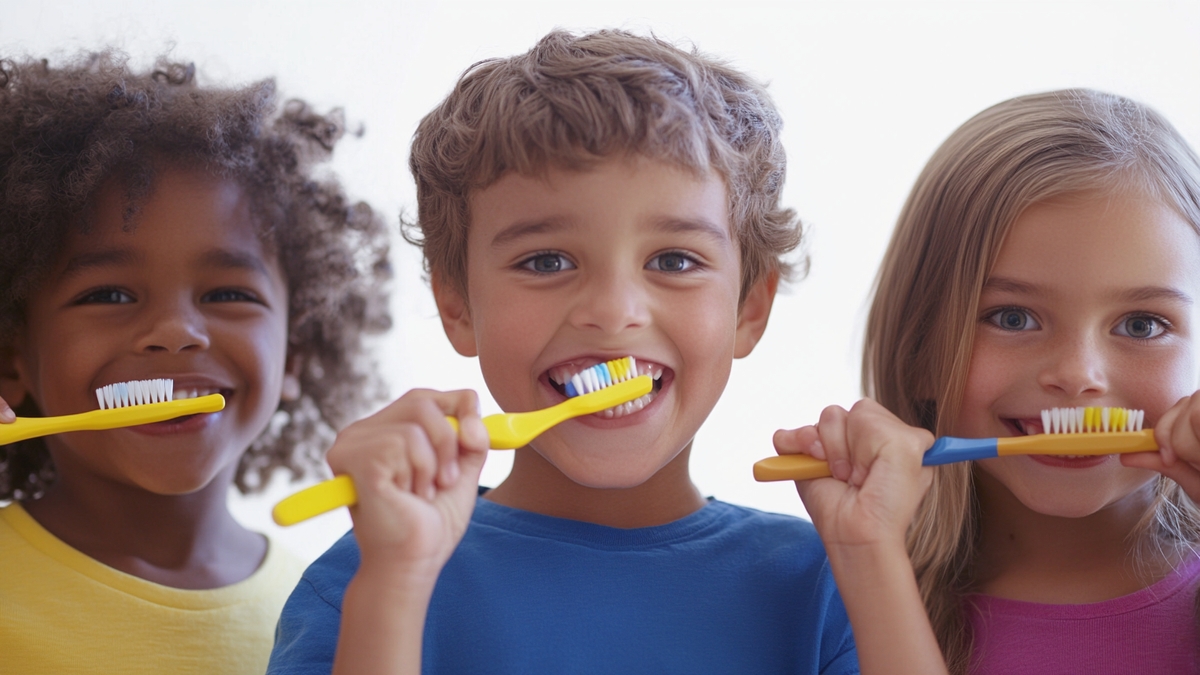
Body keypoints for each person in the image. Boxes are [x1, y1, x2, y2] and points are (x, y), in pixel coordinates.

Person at [268, 30, 862, 675]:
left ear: (750, 306)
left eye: (673, 260)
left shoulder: (829, 586)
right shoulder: (368, 577)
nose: (613, 312)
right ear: (457, 305)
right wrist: (396, 587)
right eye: (547, 260)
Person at [773, 89, 1200, 674]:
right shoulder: (833, 607)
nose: (1078, 375)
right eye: (1012, 318)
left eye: (1142, 324)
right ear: (920, 345)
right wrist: (868, 556)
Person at [0, 52, 392, 674]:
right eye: (108, 295)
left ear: (296, 351)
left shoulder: (330, 611)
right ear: (10, 357)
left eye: (228, 294)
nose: (177, 333)